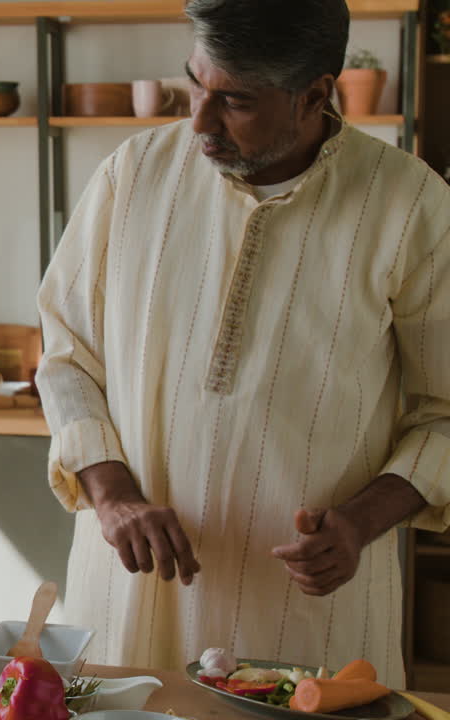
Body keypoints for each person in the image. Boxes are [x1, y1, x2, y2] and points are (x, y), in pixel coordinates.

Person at [35, 0, 449, 686]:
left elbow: (443, 410)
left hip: (308, 617)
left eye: (233, 101)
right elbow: (65, 353)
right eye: (196, 83)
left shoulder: (411, 206)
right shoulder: (132, 173)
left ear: (314, 94)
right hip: (131, 601)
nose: (198, 119)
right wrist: (111, 494)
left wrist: (357, 524)